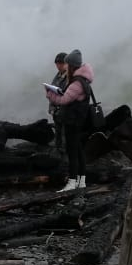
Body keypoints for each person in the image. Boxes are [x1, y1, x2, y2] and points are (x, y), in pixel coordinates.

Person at [45, 48, 93, 192]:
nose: (65, 67)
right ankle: (81, 181)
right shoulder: (83, 80)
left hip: (73, 121)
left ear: (72, 65)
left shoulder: (77, 83)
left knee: (72, 151)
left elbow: (64, 99)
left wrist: (50, 94)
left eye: (67, 64)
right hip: (78, 120)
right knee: (78, 150)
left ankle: (72, 182)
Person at [49, 52, 69, 153]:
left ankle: (65, 152)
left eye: (60, 63)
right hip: (56, 110)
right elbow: (52, 89)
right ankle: (57, 149)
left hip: (66, 111)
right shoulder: (58, 75)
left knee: (65, 133)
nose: (58, 66)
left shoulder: (71, 77)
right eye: (57, 64)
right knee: (58, 131)